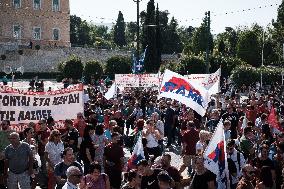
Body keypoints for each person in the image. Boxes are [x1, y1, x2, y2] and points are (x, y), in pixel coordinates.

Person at [0, 120, 13, 188]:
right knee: (2, 171)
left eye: (4, 124)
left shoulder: (13, 133)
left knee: (11, 171)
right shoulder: (0, 133)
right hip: (1, 155)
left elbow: (16, 144)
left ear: (8, 125)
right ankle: (2, 184)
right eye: (1, 124)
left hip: (10, 155)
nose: (2, 126)